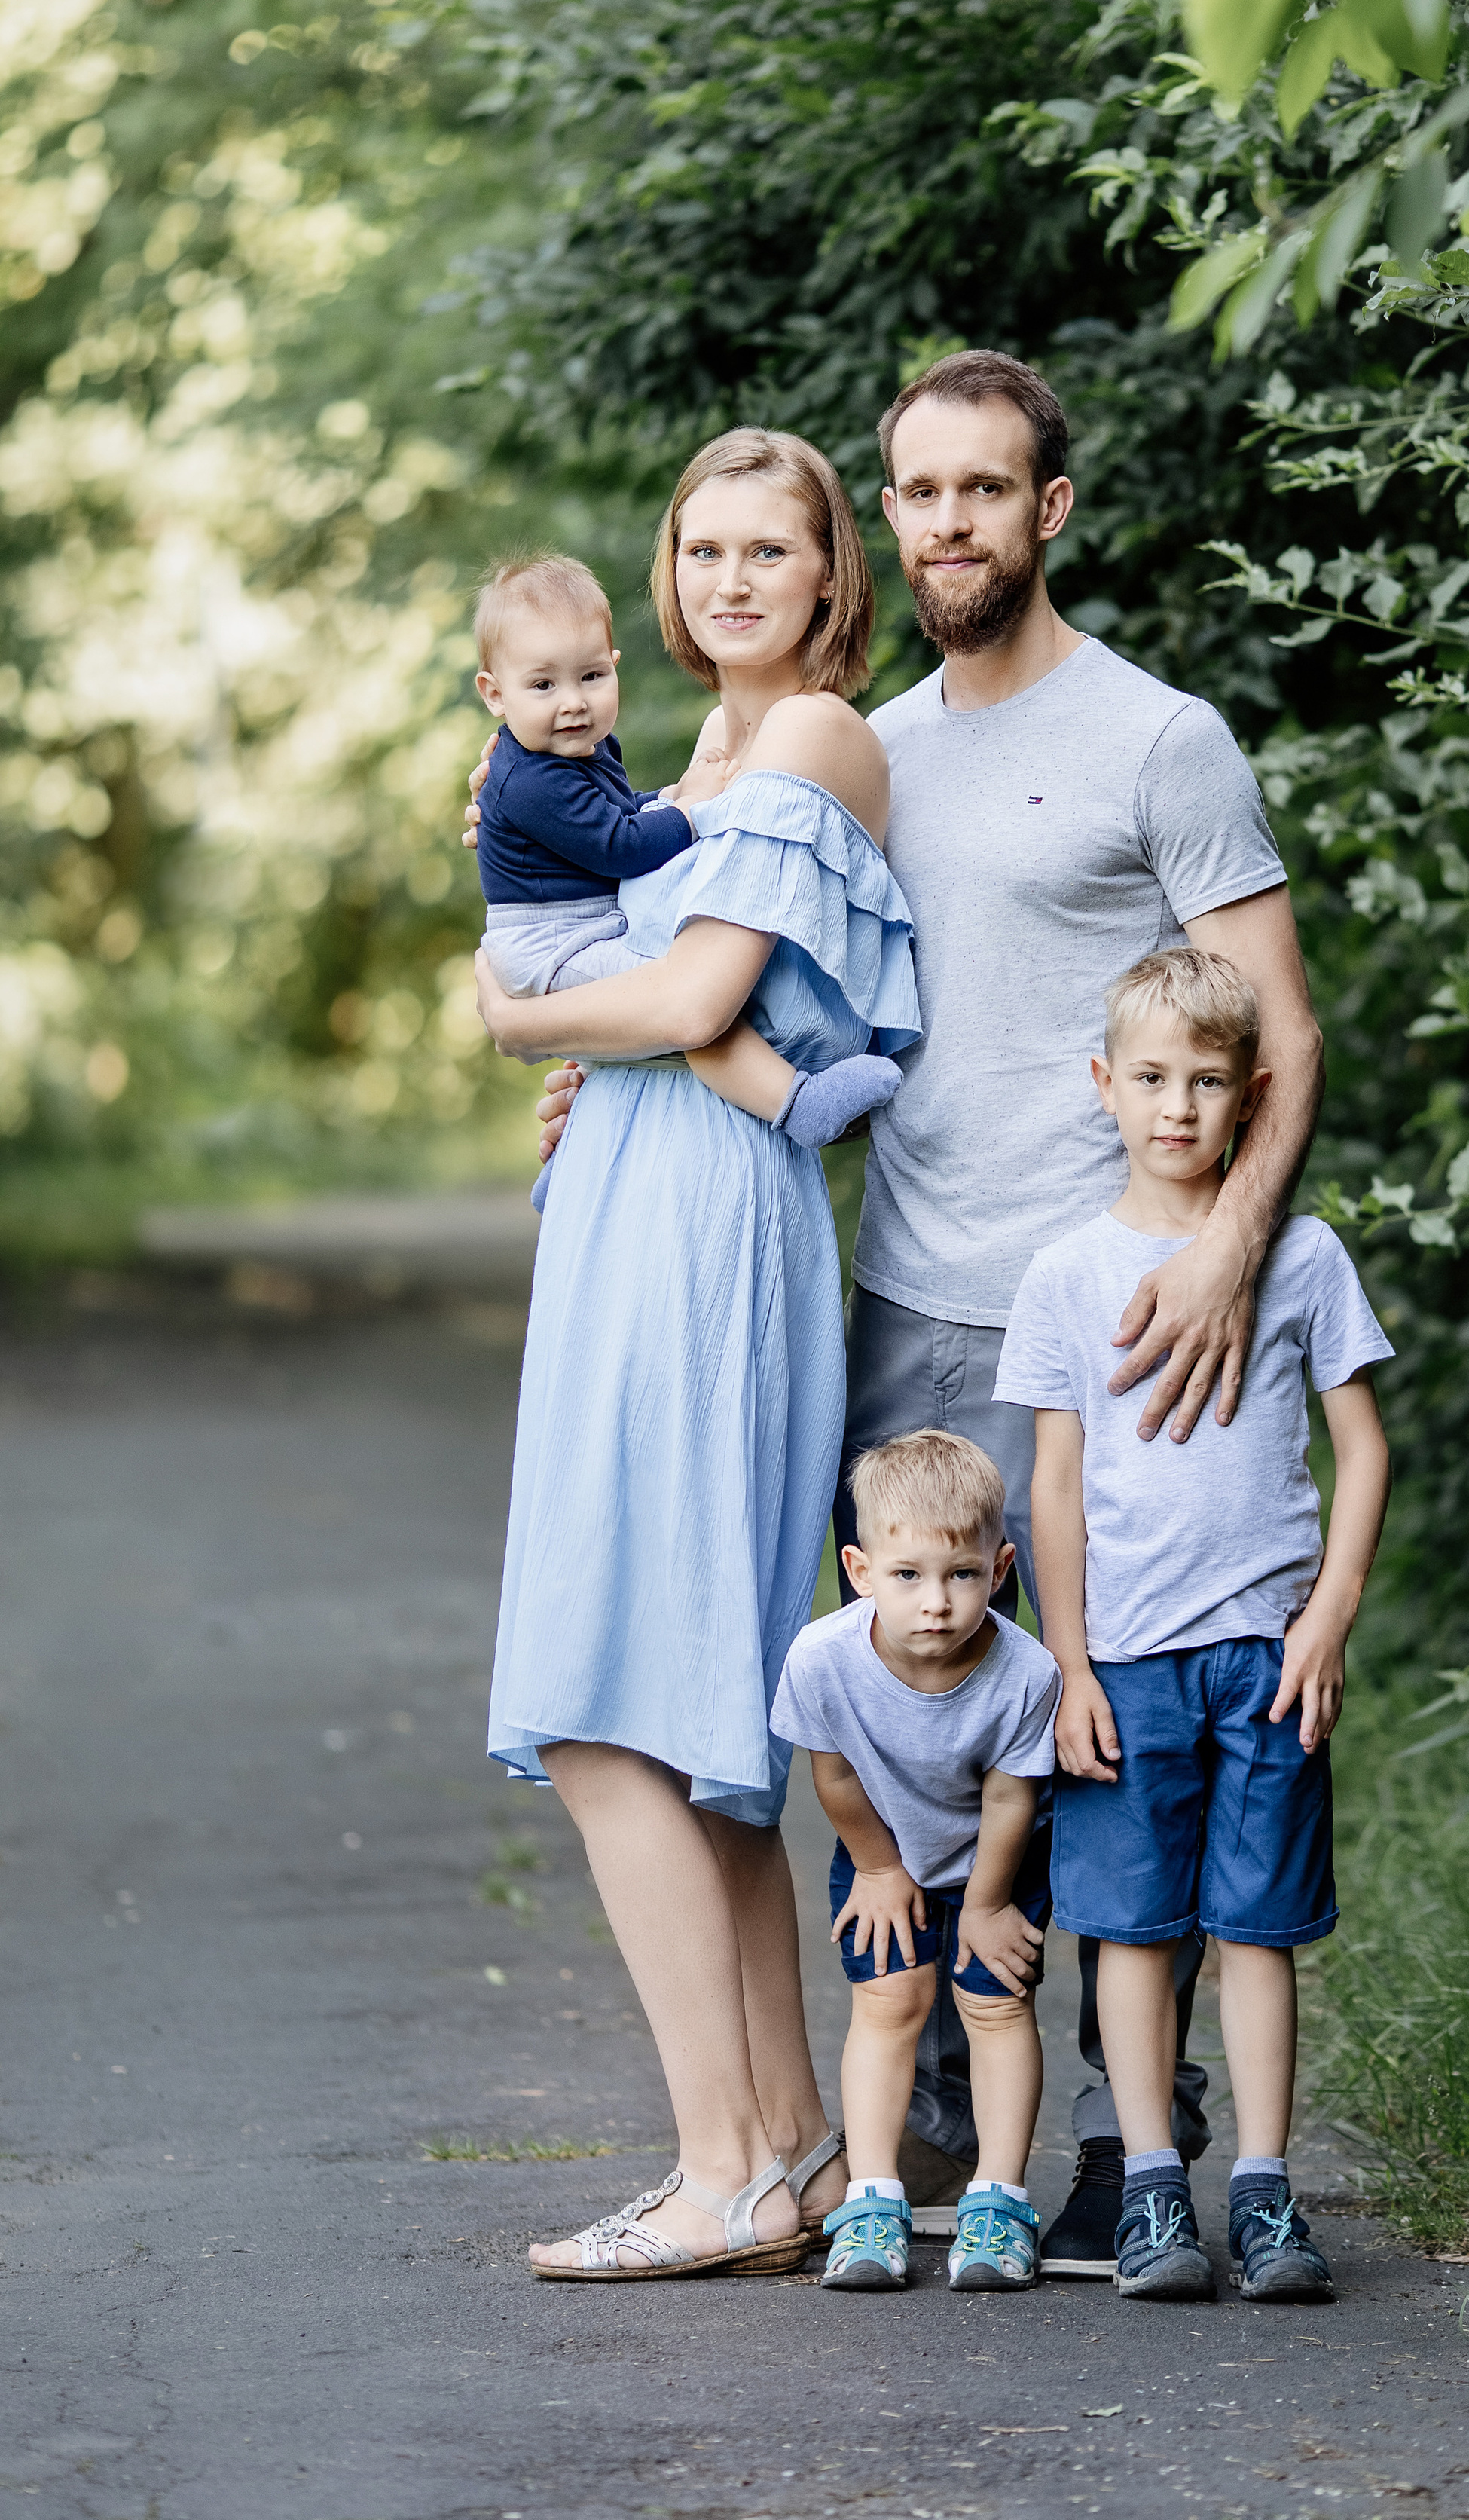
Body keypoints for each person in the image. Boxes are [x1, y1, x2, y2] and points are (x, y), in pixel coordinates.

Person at [524, 348, 1328, 2272]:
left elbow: (1278, 1030)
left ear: (1047, 508)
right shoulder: (859, 741)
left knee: (1115, 1725)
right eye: (918, 490)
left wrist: (1219, 1254)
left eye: (985, 488)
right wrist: (612, 1060)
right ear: (884, 519)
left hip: (1124, 1319)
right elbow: (776, 990)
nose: (949, 519)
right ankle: (928, 2140)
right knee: (915, 1705)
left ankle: (1140, 2143)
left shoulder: (1159, 737)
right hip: (896, 1292)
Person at [473, 428, 920, 2280]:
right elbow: (643, 989)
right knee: (698, 1717)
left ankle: (719, 2162)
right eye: (700, 545)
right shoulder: (666, 764)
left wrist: (516, 1017)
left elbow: (688, 1001)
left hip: (707, 1224)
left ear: (831, 577)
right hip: (634, 1203)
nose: (730, 578)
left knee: (602, 1701)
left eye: (770, 547)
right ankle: (789, 2148)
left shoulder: (812, 738)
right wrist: (587, 1030)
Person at [998, 947, 1394, 2302]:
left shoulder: (1303, 1255)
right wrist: (1068, 1665)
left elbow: (1363, 1447)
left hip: (1270, 1653)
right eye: (1153, 1078)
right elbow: (1053, 1482)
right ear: (1103, 1086)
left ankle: (1269, 2196)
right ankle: (1155, 2192)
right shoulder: (1063, 1273)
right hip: (1128, 1665)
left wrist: (1328, 1616)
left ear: (1251, 1096)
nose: (1178, 1106)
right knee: (1131, 1930)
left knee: (1261, 1930)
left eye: (1209, 1082)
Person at [472, 546, 900, 1151]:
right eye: (542, 685)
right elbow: (620, 845)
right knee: (668, 993)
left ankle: (576, 1136)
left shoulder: (574, 751)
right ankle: (795, 1103)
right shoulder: (533, 778)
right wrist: (688, 811)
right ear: (495, 694)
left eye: (591, 677)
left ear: (613, 666)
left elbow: (613, 818)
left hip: (580, 931)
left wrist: (669, 799)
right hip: (554, 944)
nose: (572, 702)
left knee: (664, 1002)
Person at [771, 1430, 1060, 2295]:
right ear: (859, 1571)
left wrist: (985, 1904)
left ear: (1000, 1568)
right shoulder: (822, 1659)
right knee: (890, 2003)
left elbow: (1013, 1800)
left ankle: (998, 2201)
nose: (935, 1602)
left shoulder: (1026, 1672)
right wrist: (878, 1867)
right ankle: (871, 2198)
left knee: (994, 2004)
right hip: (882, 1854)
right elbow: (834, 1775)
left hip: (994, 1865)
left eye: (961, 1575)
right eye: (907, 1576)